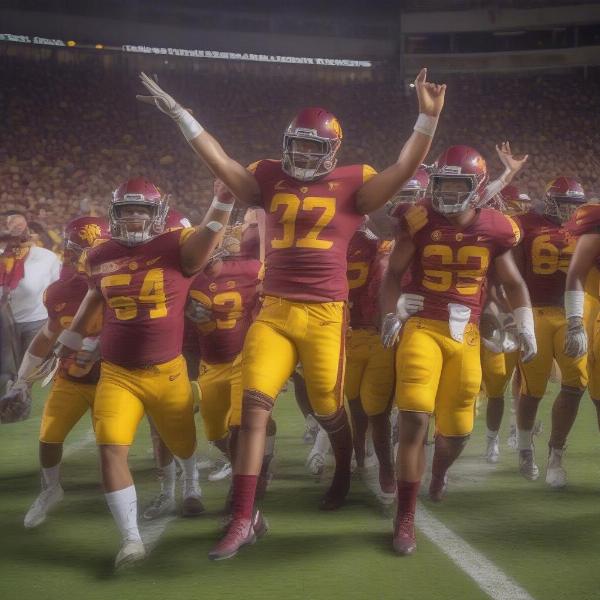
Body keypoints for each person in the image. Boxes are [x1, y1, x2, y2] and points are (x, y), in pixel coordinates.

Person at [136, 67, 446, 559]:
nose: (302, 155)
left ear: (332, 152)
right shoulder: (265, 175)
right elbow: (221, 162)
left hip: (325, 313)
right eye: (296, 145)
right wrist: (183, 116)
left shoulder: (355, 182)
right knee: (253, 406)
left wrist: (425, 121)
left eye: (311, 147)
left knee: (327, 407)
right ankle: (242, 515)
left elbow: (403, 170)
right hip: (275, 310)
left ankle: (345, 465)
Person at [55, 177, 233, 568]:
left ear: (158, 215)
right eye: (127, 209)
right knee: (111, 447)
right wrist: (71, 339)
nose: (134, 217)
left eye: (142, 209)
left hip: (167, 371)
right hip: (117, 373)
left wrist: (222, 202)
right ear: (114, 214)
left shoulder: (177, 244)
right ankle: (131, 539)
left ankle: (191, 482)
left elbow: (209, 237)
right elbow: (93, 297)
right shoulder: (99, 254)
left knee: (183, 443)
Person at [380, 145, 536, 555]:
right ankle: (406, 516)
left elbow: (515, 284)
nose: (446, 192)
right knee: (414, 418)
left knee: (458, 431)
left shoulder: (496, 228)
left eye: (456, 184)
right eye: (441, 183)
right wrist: (392, 311)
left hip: (464, 335)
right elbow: (393, 273)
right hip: (423, 328)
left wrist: (526, 326)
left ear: (476, 188)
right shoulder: (418, 220)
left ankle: (439, 474)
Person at [12, 217, 108, 527]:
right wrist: (22, 381)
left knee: (112, 445)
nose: (73, 259)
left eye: (81, 251)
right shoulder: (59, 292)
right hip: (71, 379)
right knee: (49, 437)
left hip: (113, 379)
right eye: (71, 251)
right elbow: (46, 335)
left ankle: (162, 484)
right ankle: (51, 489)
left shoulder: (121, 288)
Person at [514, 177, 587, 486]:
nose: (569, 210)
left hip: (572, 312)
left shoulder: (585, 227)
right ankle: (524, 445)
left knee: (576, 383)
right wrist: (511, 315)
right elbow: (512, 273)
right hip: (535, 311)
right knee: (533, 389)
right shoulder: (525, 223)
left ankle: (556, 455)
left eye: (575, 205)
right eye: (564, 203)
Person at [0, 212, 60, 388]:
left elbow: (56, 288)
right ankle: (12, 396)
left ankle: (20, 400)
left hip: (36, 319)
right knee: (8, 366)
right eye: (11, 225)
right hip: (6, 319)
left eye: (20, 225)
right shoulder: (3, 257)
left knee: (28, 366)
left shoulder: (46, 257)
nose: (17, 230)